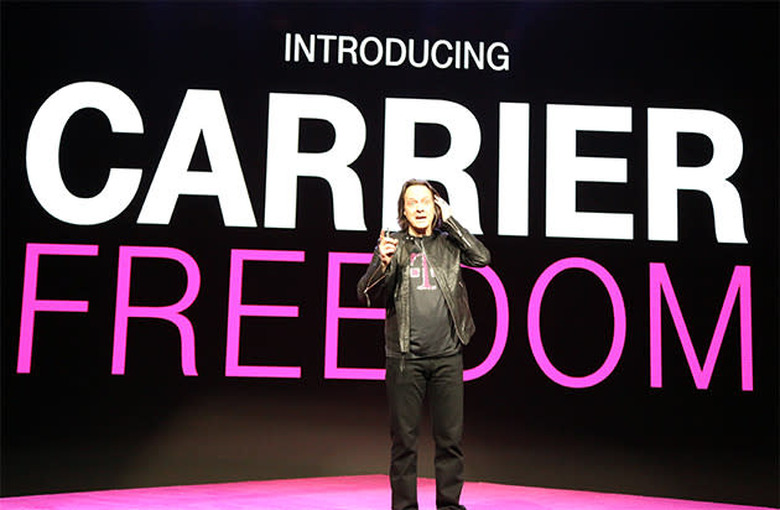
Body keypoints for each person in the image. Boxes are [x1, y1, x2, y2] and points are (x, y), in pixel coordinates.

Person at [357, 179, 491, 510]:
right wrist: (381, 262)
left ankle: (449, 506)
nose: (419, 207)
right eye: (412, 202)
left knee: (450, 441)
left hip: (447, 357)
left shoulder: (449, 243)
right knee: (404, 443)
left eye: (425, 202)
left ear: (435, 207)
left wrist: (452, 221)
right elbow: (365, 293)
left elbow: (482, 257)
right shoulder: (392, 245)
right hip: (405, 359)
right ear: (403, 211)